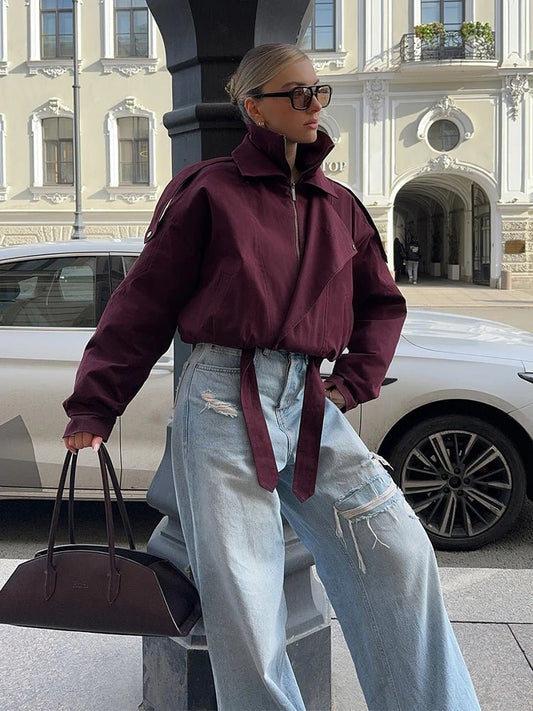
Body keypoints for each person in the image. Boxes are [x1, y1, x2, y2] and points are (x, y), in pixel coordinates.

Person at [62, 44, 480, 711]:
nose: (314, 106)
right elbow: (143, 303)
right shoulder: (207, 191)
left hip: (310, 400)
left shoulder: (338, 204)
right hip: (220, 397)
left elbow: (381, 305)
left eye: (319, 92)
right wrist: (94, 404)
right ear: (254, 107)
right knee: (246, 602)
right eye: (298, 94)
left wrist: (352, 381)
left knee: (397, 550)